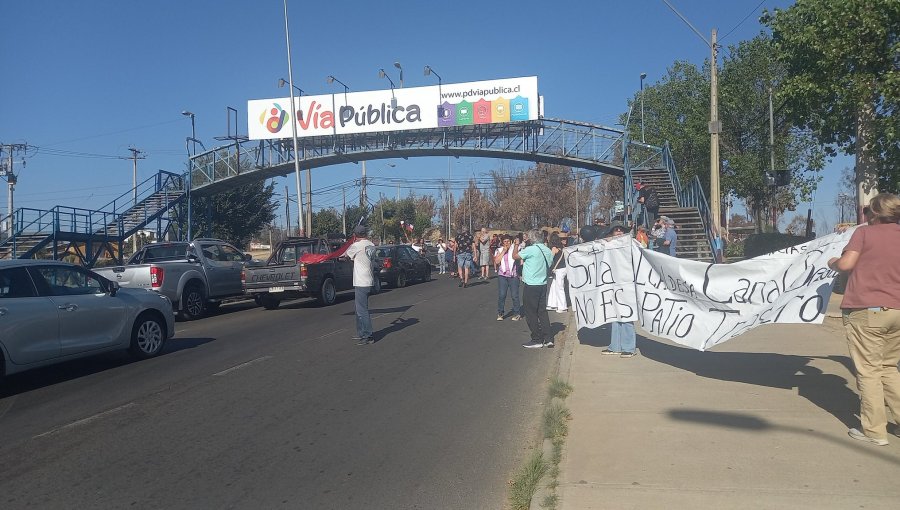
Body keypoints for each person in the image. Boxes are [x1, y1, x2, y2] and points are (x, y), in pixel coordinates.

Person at [827, 193, 900, 446]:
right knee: (889, 368)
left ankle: (874, 431)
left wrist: (833, 262)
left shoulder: (865, 234)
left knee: (868, 371)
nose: (866, 215)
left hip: (867, 310)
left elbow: (847, 264)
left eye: (868, 211)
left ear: (876, 213)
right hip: (897, 311)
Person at [599, 222, 638, 357]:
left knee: (626, 315)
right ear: (611, 233)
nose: (619, 232)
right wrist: (606, 241)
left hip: (627, 285)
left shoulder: (631, 243)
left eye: (621, 230)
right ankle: (615, 346)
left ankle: (629, 347)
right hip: (612, 285)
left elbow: (642, 253)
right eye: (616, 230)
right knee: (614, 316)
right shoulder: (608, 244)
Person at [513, 229, 554, 349]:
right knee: (542, 311)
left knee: (530, 312)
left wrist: (516, 244)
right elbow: (550, 264)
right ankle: (548, 338)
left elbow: (515, 256)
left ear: (532, 238)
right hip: (542, 283)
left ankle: (536, 338)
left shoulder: (530, 249)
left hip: (531, 284)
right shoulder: (547, 250)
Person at [344, 225, 376, 345]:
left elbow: (346, 255)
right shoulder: (371, 244)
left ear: (355, 235)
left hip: (361, 281)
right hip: (369, 280)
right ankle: (361, 333)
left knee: (362, 310)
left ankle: (368, 335)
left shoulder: (356, 246)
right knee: (359, 309)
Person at [494, 235, 522, 321]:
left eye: (508, 241)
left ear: (511, 241)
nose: (507, 243)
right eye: (505, 242)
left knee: (514, 295)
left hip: (513, 275)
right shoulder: (499, 250)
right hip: (502, 275)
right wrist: (503, 251)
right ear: (502, 242)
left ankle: (517, 313)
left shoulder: (515, 249)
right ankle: (500, 313)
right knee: (502, 295)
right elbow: (497, 261)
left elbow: (519, 257)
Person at [546, 232, 568, 313]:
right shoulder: (562, 248)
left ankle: (562, 307)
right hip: (563, 268)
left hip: (559, 270)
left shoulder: (554, 248)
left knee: (559, 287)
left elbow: (550, 259)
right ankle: (552, 304)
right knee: (554, 286)